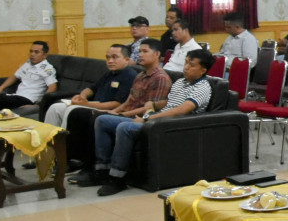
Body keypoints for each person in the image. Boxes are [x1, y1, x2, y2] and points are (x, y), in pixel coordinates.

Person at [90, 47, 215, 195]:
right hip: (158, 120)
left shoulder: (202, 87)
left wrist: (149, 118)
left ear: (203, 70)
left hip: (171, 126)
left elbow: (182, 110)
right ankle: (102, 169)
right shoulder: (181, 82)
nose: (186, 67)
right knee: (102, 120)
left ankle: (117, 178)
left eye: (192, 65)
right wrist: (154, 105)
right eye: (186, 62)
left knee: (125, 128)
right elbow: (170, 102)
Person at [71, 39, 180, 186]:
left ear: (157, 55)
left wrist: (122, 115)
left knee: (96, 118)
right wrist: (112, 111)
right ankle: (98, 167)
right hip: (128, 112)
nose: (140, 55)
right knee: (91, 116)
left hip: (140, 118)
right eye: (140, 51)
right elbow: (128, 101)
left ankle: (103, 172)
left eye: (145, 51)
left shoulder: (160, 78)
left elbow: (150, 108)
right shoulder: (140, 75)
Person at [44, 44, 136, 169]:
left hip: (105, 109)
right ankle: (48, 154)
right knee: (55, 108)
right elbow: (91, 88)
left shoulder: (129, 75)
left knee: (73, 110)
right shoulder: (109, 74)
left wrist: (85, 104)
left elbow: (117, 104)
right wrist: (82, 95)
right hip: (92, 104)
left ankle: (65, 157)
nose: (110, 61)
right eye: (108, 57)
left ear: (127, 59)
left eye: (115, 57)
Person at [0, 40, 57, 115]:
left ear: (45, 55)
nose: (32, 54)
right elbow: (15, 76)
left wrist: (40, 103)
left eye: (36, 52)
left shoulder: (47, 69)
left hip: (27, 99)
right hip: (15, 96)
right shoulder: (28, 64)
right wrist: (1, 87)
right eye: (31, 51)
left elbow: (53, 86)